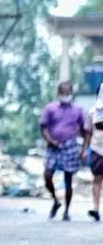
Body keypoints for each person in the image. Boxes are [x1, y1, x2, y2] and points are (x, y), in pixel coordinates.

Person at [40, 82, 89, 221]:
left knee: (68, 180)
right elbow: (43, 128)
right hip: (53, 146)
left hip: (70, 146)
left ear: (71, 93)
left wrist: (84, 150)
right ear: (59, 93)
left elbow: (85, 131)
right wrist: (50, 140)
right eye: (63, 92)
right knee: (47, 175)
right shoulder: (50, 108)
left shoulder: (78, 110)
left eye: (68, 92)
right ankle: (55, 200)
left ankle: (67, 210)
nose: (66, 95)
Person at [85, 83, 103, 222]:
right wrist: (85, 150)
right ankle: (96, 208)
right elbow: (88, 133)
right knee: (97, 179)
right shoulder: (93, 112)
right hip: (97, 148)